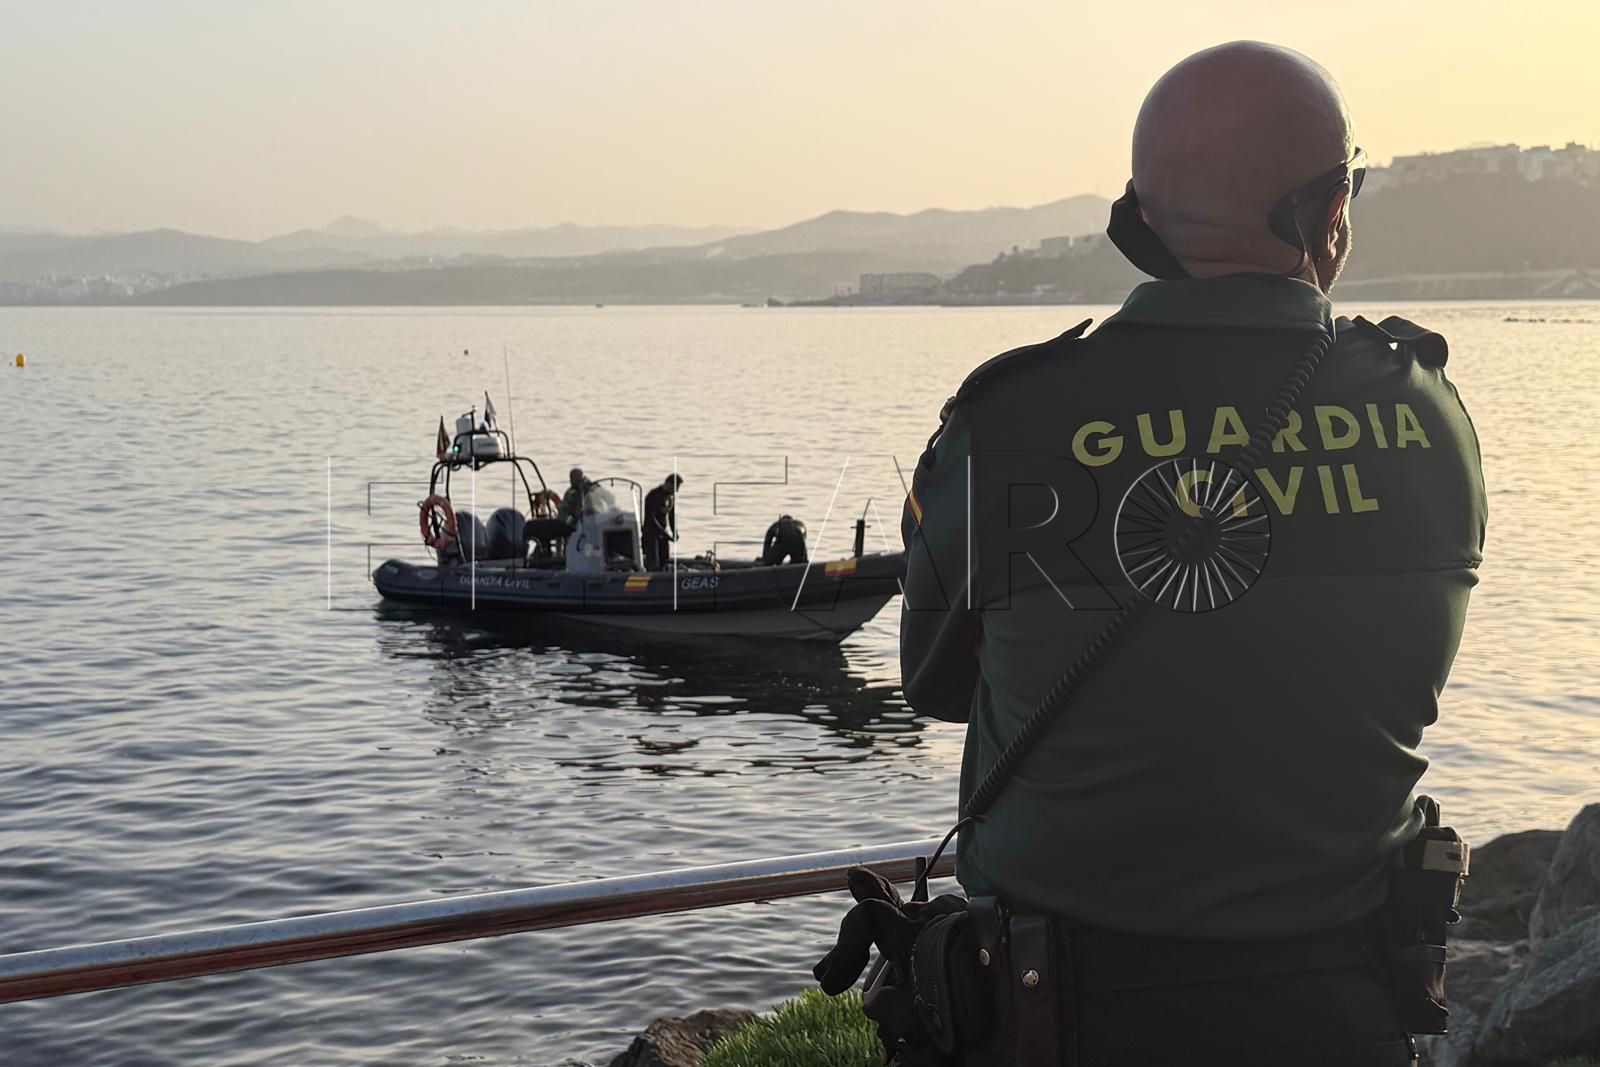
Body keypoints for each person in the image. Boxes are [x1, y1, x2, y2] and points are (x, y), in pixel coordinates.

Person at [886, 42, 1486, 1066]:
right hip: (1340, 1016)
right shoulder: (1421, 412)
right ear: (1328, 211)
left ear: (1139, 220)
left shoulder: (1012, 418)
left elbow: (935, 680)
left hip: (1062, 1021)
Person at [642, 474, 682, 571]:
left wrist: (674, 531)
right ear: (668, 484)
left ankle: (664, 573)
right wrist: (665, 534)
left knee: (664, 559)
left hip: (662, 534)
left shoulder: (670, 497)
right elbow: (651, 518)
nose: (676, 491)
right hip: (651, 533)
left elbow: (671, 516)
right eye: (675, 487)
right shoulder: (654, 496)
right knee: (654, 561)